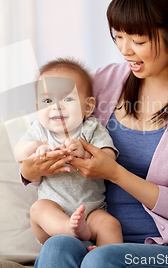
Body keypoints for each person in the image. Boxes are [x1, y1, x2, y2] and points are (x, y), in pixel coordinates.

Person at [21, 0, 168, 268]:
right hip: (93, 234)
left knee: (102, 261)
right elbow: (46, 121)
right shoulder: (104, 82)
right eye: (118, 37)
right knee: (57, 247)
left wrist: (114, 172)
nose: (125, 50)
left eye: (138, 41)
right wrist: (30, 171)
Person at [15, 58, 123, 249]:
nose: (56, 106)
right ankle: (70, 228)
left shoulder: (91, 129)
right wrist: (33, 149)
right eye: (47, 100)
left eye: (67, 98)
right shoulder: (40, 131)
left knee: (111, 225)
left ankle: (101, 254)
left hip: (91, 211)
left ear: (88, 107)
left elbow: (109, 159)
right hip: (53, 214)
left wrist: (84, 152)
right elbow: (19, 151)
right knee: (38, 209)